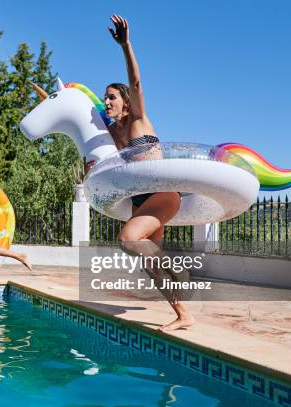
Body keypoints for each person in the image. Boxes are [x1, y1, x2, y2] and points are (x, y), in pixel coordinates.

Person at [103, 14, 195, 331]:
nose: (106, 101)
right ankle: (184, 314)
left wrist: (126, 45)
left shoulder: (139, 120)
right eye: (105, 98)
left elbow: (136, 82)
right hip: (140, 200)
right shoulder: (111, 135)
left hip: (162, 194)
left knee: (128, 239)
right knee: (150, 265)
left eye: (111, 96)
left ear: (126, 102)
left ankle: (178, 269)